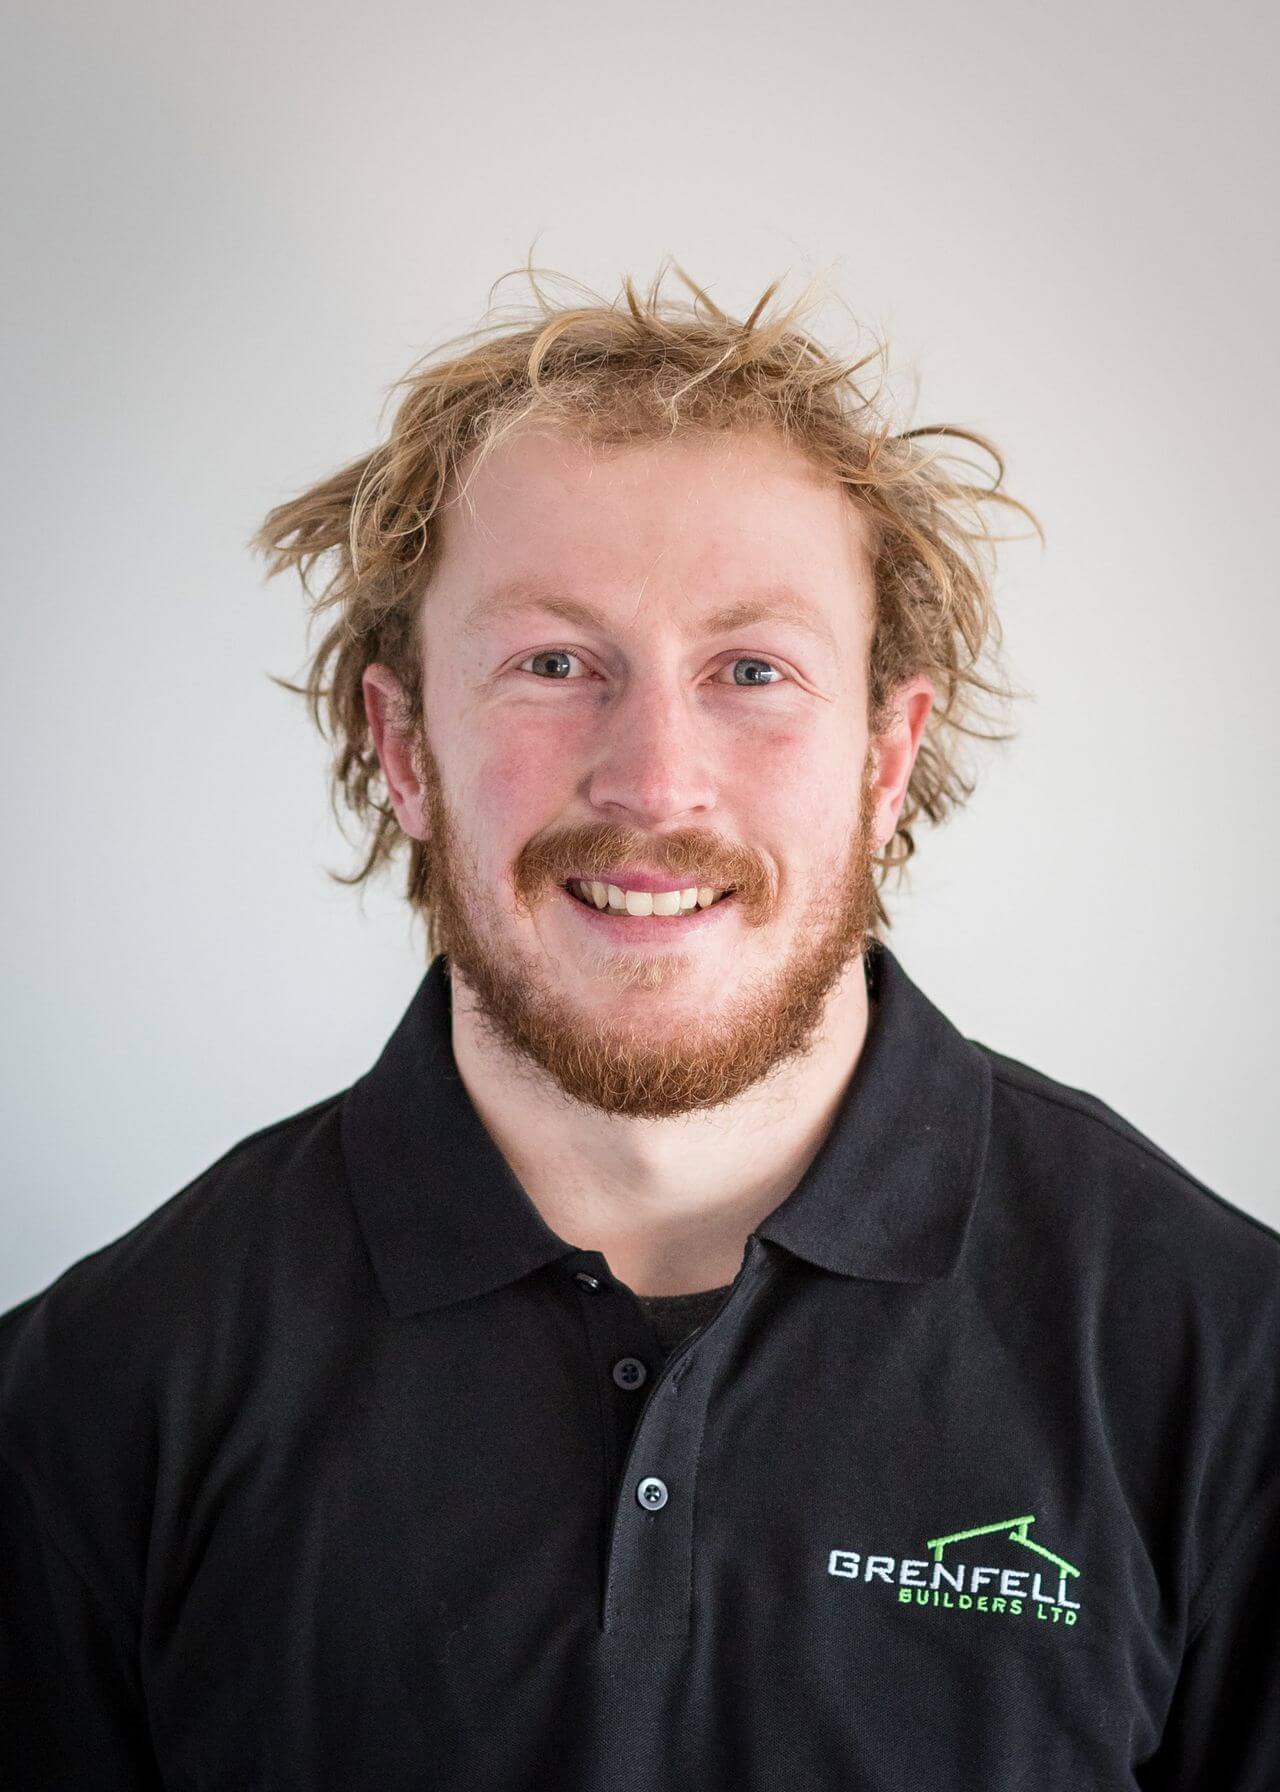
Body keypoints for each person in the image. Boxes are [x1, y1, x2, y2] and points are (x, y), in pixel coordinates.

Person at [2, 262, 1276, 1790]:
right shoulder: (92, 1396)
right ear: (402, 744)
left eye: (752, 671)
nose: (655, 781)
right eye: (554, 664)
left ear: (887, 752)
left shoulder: (1225, 1364)